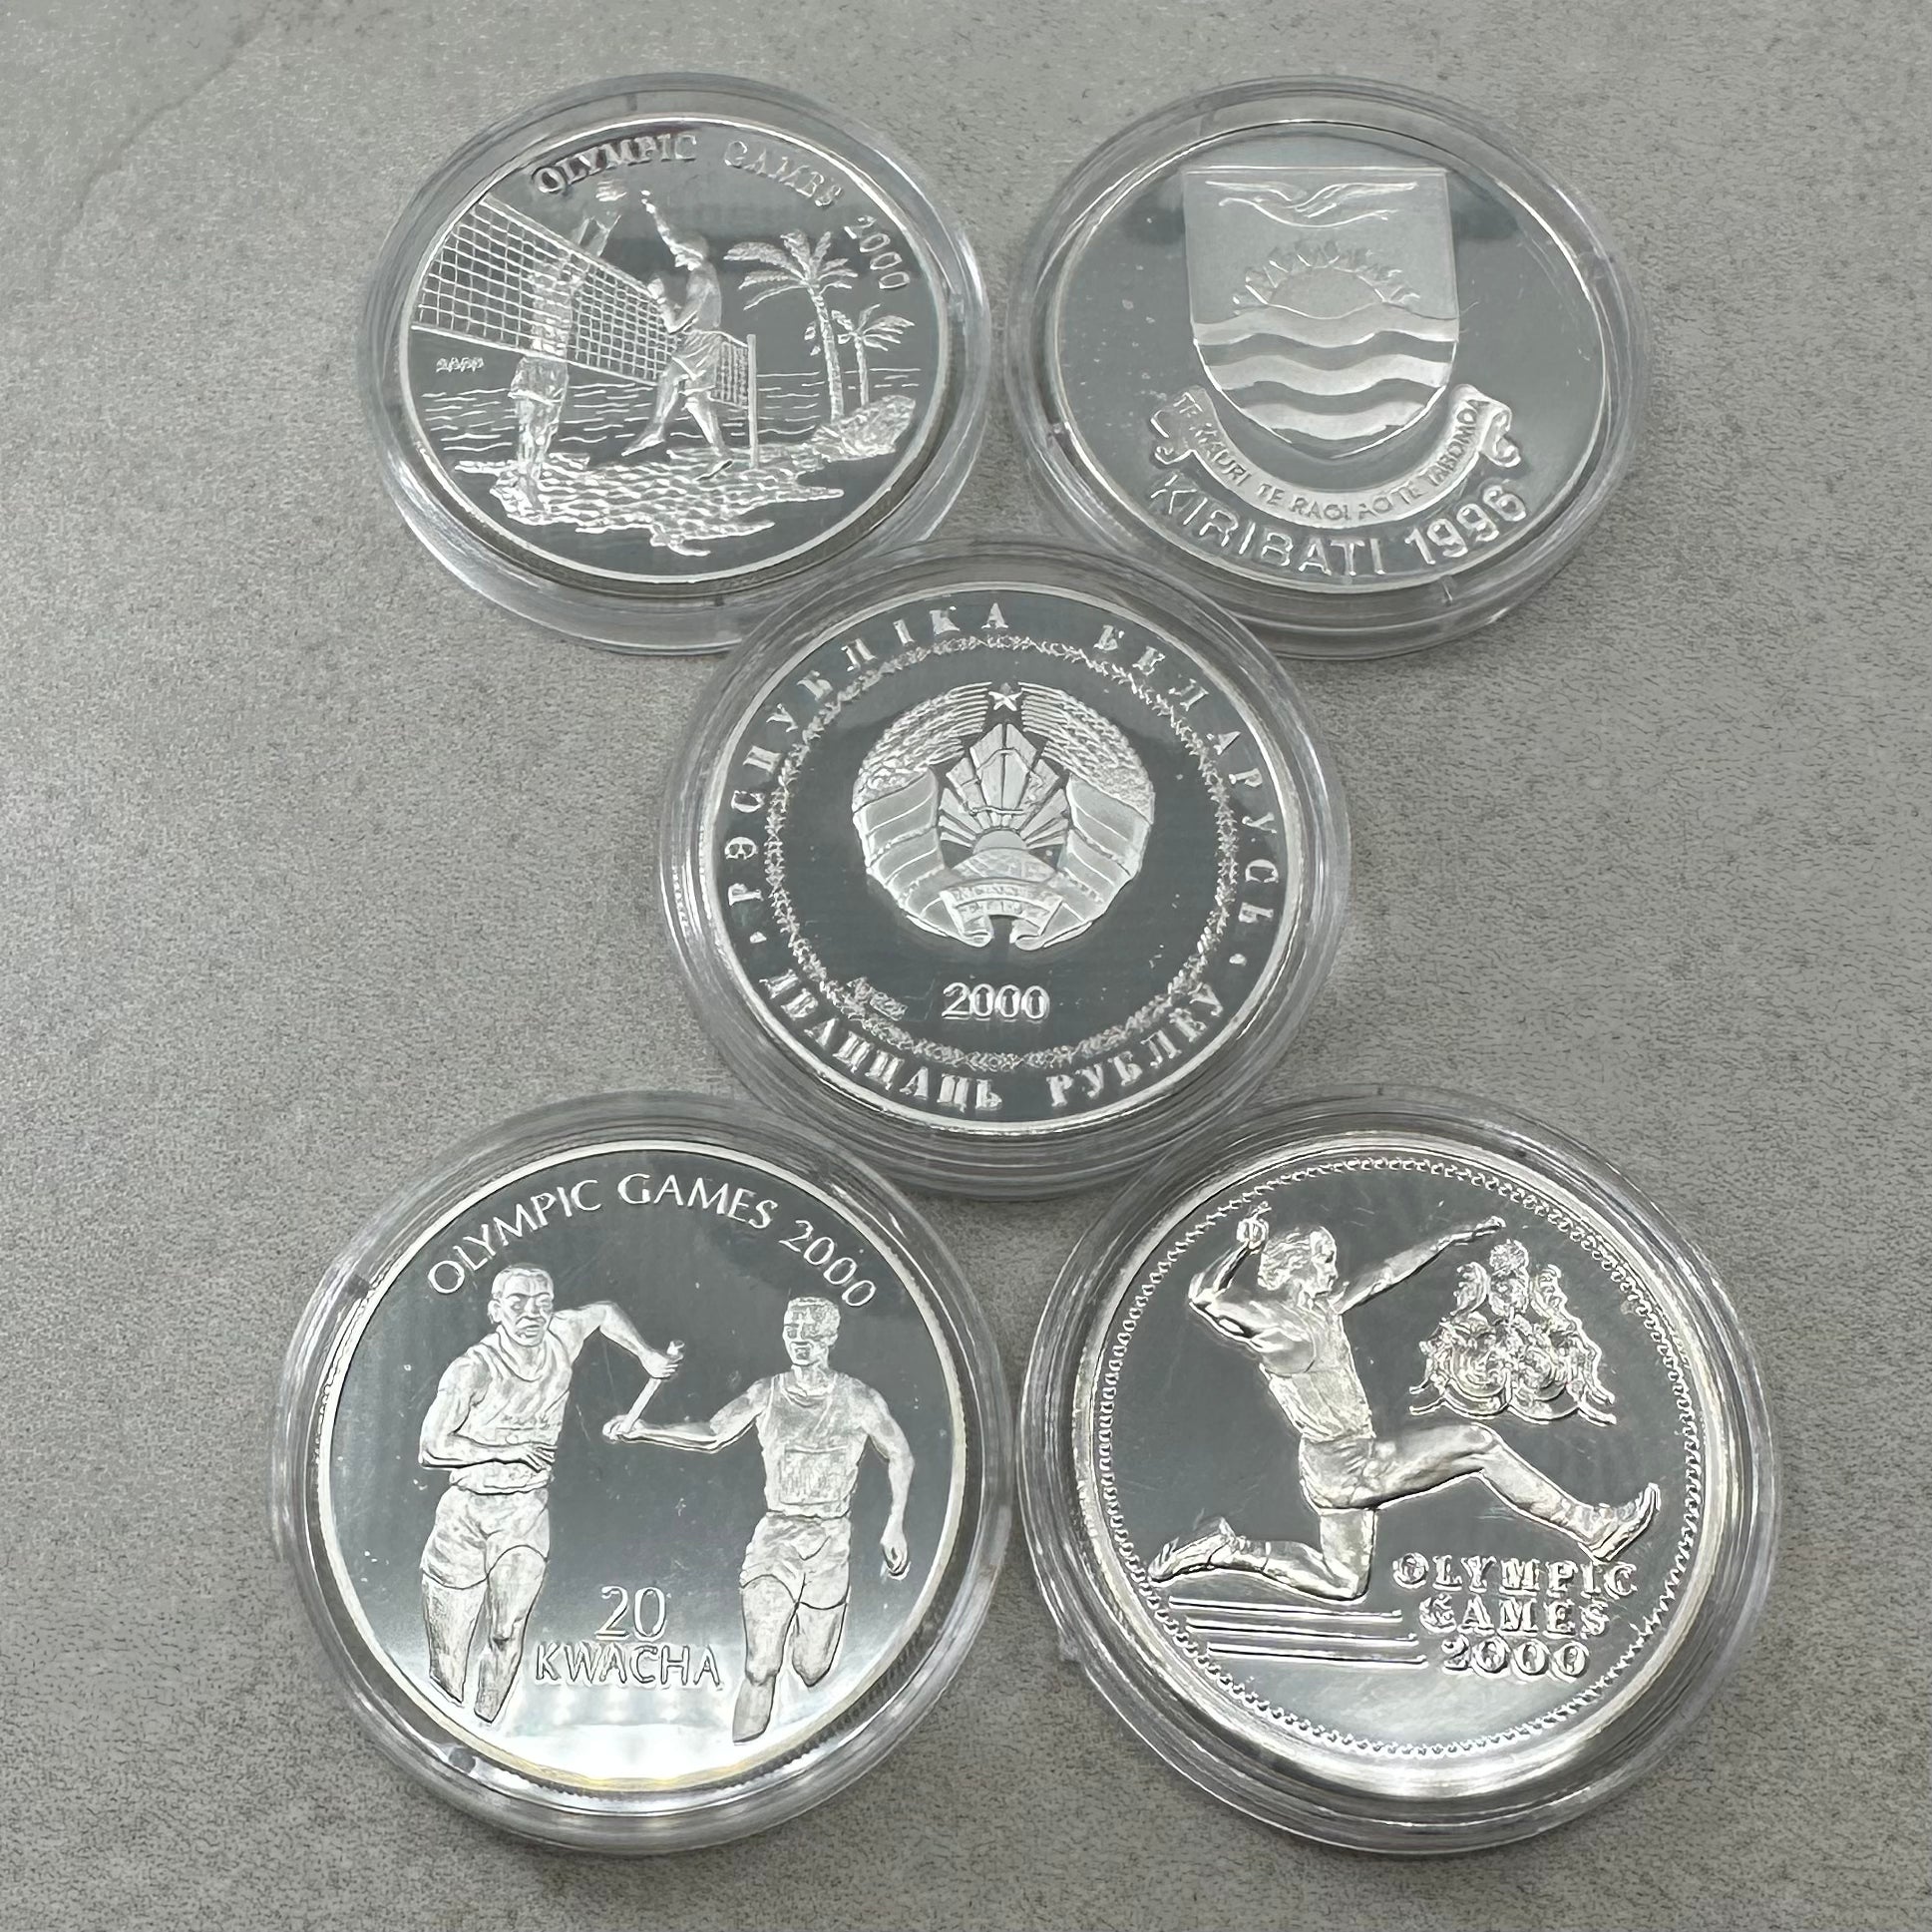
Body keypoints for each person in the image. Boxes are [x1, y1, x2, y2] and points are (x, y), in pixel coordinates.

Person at [1149, 1214, 1659, 1598]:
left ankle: (1227, 1549)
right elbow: (1205, 1295)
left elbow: (1383, 1273)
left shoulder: (1324, 1309)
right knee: (1478, 1443)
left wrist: (1446, 1238)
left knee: (1344, 1582)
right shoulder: (1272, 1321)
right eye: (1323, 1257)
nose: (1333, 1267)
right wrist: (1241, 1246)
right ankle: (1591, 1527)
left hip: (1329, 1468)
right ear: (1295, 1262)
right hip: (1349, 1462)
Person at [609, 1296, 912, 1740]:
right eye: (792, 1330)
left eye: (810, 1332)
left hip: (831, 1543)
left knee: (811, 1668)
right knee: (761, 1664)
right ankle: (737, 1757)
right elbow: (713, 1432)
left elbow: (900, 1454)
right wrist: (647, 1430)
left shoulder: (858, 1399)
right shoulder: (765, 1393)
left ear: (830, 1337)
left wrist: (895, 1523)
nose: (800, 1340)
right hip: (777, 1537)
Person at [417, 1263, 682, 1722]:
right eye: (518, 1302)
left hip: (524, 1511)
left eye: (542, 1303)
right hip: (464, 1514)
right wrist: (509, 1451)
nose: (531, 1313)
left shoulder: (561, 1336)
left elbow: (603, 1312)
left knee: (506, 1631)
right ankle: (449, 1723)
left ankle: (487, 1726)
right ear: (495, 1310)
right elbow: (432, 1446)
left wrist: (645, 1355)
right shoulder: (472, 1369)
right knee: (447, 1652)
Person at [506, 195, 622, 501]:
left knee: (545, 430)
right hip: (536, 364)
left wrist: (605, 231)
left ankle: (532, 478)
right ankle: (524, 477)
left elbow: (586, 261)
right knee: (529, 428)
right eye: (544, 269)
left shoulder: (565, 291)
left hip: (557, 368)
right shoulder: (542, 286)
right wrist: (584, 221)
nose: (551, 271)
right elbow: (567, 253)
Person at [621, 190, 730, 473]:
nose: (675, 256)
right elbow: (671, 238)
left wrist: (660, 298)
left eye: (679, 252)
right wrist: (656, 211)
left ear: (689, 253)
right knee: (697, 402)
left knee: (669, 376)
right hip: (710, 339)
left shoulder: (699, 278)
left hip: (701, 340)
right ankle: (720, 452)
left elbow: (674, 325)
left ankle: (656, 428)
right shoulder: (706, 269)